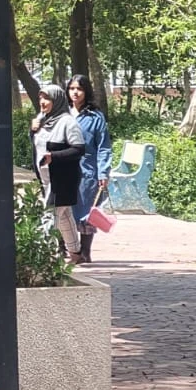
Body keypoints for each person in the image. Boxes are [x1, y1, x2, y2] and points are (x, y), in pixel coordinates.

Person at [31, 85, 86, 263]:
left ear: (57, 100)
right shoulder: (43, 119)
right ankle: (76, 253)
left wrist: (53, 157)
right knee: (65, 216)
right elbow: (38, 145)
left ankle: (40, 258)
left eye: (47, 98)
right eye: (41, 98)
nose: (42, 102)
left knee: (50, 216)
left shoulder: (68, 122)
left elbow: (79, 149)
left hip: (62, 179)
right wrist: (32, 130)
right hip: (46, 178)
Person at [67, 75, 112, 263]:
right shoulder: (62, 113)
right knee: (64, 211)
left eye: (79, 89)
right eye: (72, 88)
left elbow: (103, 147)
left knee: (87, 210)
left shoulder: (95, 117)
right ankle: (67, 250)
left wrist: (103, 172)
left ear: (86, 92)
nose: (75, 92)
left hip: (87, 170)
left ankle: (85, 252)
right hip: (64, 169)